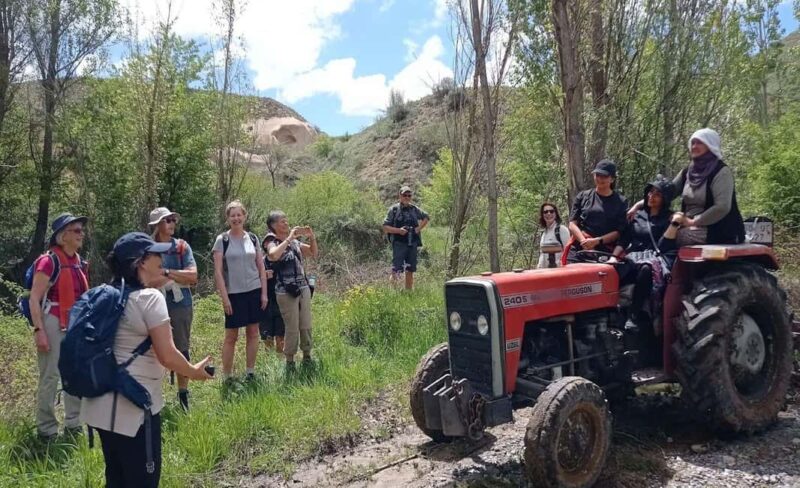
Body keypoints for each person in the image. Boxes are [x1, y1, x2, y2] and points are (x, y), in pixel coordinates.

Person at [81, 232, 212, 488]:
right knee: (143, 480)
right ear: (140, 262)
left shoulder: (103, 296)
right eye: (156, 254)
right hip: (135, 409)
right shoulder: (150, 298)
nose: (163, 259)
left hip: (99, 406)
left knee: (116, 478)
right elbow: (167, 355)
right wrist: (193, 372)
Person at [627, 128, 745, 246]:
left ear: (710, 145)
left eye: (699, 143)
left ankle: (658, 262)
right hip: (688, 224)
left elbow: (722, 207)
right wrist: (638, 205)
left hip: (717, 228)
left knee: (674, 236)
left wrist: (693, 222)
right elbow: (666, 193)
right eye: (693, 143)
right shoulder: (689, 171)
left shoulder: (721, 172)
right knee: (653, 229)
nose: (694, 146)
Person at [29, 213, 90, 440]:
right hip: (53, 321)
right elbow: (34, 298)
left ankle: (74, 425)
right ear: (62, 236)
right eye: (76, 230)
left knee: (74, 374)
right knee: (50, 377)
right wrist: (39, 330)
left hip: (76, 324)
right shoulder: (49, 261)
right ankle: (46, 431)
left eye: (81, 230)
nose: (81, 234)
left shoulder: (78, 261)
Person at [610, 176, 680, 328]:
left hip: (656, 258)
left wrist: (674, 224)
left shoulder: (669, 218)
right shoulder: (637, 215)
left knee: (647, 269)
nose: (651, 196)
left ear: (665, 199)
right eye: (650, 192)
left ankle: (633, 316)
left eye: (657, 194)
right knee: (610, 270)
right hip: (633, 257)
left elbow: (664, 245)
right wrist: (613, 258)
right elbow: (624, 239)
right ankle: (608, 312)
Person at [212, 200, 268, 381]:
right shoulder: (223, 240)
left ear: (244, 216)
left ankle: (250, 372)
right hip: (233, 294)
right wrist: (225, 298)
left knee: (253, 333)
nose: (236, 218)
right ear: (228, 218)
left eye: (239, 215)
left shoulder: (253, 238)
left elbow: (261, 267)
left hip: (254, 290)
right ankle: (227, 376)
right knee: (231, 336)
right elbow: (218, 272)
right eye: (232, 215)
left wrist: (264, 293)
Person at [149, 207, 198, 411]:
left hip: (180, 303)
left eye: (172, 220)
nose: (171, 223)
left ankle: (183, 396)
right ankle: (153, 398)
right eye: (166, 220)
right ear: (156, 225)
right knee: (152, 351)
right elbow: (148, 278)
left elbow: (193, 276)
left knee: (182, 348)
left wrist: (167, 272)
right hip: (152, 303)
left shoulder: (181, 246)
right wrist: (178, 275)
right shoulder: (148, 249)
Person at [264, 211, 318, 373]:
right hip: (285, 290)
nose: (286, 224)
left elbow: (312, 252)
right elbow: (273, 255)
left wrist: (311, 236)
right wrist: (289, 238)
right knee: (291, 326)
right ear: (273, 225)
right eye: (282, 222)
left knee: (306, 322)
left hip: (302, 287)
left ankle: (307, 355)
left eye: (287, 221)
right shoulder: (270, 240)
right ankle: (290, 361)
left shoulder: (294, 242)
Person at [565, 160, 628, 264]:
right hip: (579, 247)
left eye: (604, 176)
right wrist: (583, 241)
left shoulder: (621, 201)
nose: (600, 179)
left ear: (612, 179)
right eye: (597, 175)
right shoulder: (583, 196)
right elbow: (572, 224)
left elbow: (618, 232)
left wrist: (597, 241)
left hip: (604, 250)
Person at [382, 185, 429, 290]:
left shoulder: (414, 209)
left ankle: (409, 293)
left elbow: (426, 217)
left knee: (410, 269)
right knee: (396, 269)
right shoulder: (394, 209)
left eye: (409, 195)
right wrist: (399, 231)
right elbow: (385, 227)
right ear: (400, 195)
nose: (407, 197)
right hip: (399, 244)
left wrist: (418, 229)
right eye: (405, 195)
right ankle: (393, 293)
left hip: (412, 243)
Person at [260, 234, 285, 355]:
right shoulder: (260, 262)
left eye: (274, 241)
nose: (271, 243)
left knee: (281, 336)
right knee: (267, 336)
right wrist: (262, 276)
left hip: (282, 302)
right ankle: (269, 365)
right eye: (268, 241)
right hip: (265, 304)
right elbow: (249, 279)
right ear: (264, 244)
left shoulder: (284, 260)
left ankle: (280, 364)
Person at [536, 203, 570, 269]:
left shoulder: (561, 230)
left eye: (551, 211)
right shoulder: (544, 233)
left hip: (559, 271)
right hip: (545, 272)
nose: (549, 214)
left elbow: (568, 252)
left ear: (556, 214)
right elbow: (542, 255)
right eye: (545, 212)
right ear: (542, 215)